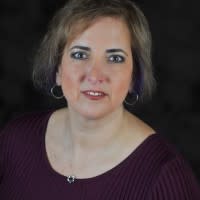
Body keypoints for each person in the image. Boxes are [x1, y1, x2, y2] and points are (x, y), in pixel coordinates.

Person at [0, 0, 199, 199]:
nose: (95, 75)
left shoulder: (166, 177)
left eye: (115, 58)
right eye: (79, 54)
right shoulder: (14, 141)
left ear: (134, 76)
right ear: (57, 70)